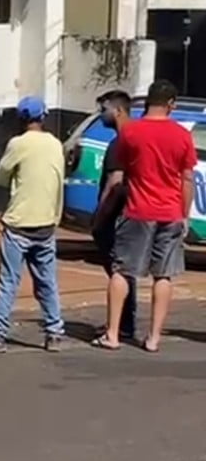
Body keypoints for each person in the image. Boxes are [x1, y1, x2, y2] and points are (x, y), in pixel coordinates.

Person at [93, 79, 195, 353]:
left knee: (122, 271)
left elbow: (119, 175)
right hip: (170, 212)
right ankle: (153, 338)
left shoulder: (131, 133)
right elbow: (187, 179)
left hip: (137, 210)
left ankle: (113, 334)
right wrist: (184, 214)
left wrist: (103, 212)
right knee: (163, 276)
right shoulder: (182, 135)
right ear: (170, 104)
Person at [0, 96, 65, 353]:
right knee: (47, 282)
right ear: (43, 117)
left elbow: (1, 176)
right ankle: (54, 333)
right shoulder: (55, 144)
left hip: (19, 223)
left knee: (9, 282)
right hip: (47, 222)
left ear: (21, 119)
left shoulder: (17, 144)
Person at [91, 90, 136, 340]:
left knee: (119, 270)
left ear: (118, 111)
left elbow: (114, 182)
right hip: (129, 214)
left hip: (116, 216)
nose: (101, 115)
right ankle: (124, 323)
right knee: (125, 269)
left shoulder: (120, 143)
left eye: (104, 109)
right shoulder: (132, 138)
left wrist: (100, 215)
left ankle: (121, 326)